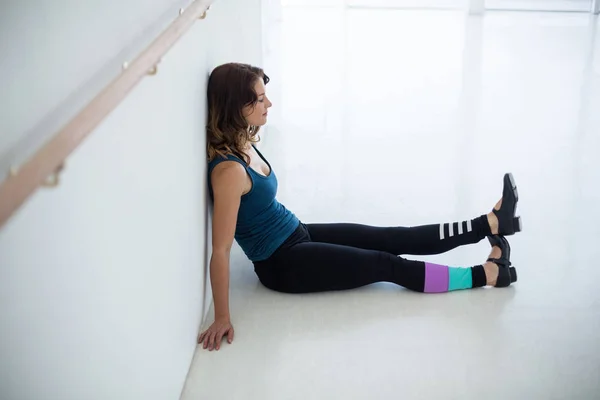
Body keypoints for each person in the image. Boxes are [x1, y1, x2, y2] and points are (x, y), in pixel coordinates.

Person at [197, 62, 522, 351]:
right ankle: (487, 275)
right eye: (258, 98)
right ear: (235, 107)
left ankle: (490, 223)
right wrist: (222, 316)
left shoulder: (244, 144)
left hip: (298, 234)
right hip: (282, 264)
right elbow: (221, 249)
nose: (268, 103)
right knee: (386, 265)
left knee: (394, 237)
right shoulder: (229, 172)